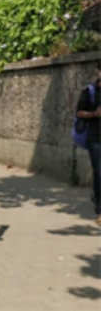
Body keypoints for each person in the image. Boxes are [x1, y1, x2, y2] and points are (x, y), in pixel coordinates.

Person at [75, 63, 101, 225]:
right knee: (100, 173)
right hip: (96, 138)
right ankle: (100, 209)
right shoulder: (89, 92)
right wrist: (94, 114)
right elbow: (78, 112)